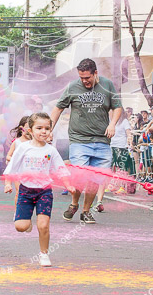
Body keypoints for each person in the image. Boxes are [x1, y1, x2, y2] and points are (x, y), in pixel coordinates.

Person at [49, 58, 122, 225]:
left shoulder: (107, 85)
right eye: (81, 78)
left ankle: (86, 211)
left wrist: (112, 124)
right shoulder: (72, 87)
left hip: (102, 141)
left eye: (87, 77)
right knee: (79, 177)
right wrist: (49, 129)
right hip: (79, 140)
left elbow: (117, 106)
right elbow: (58, 107)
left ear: (96, 73)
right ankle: (74, 204)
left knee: (95, 179)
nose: (84, 81)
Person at [4, 112, 66, 267]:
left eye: (47, 128)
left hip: (44, 191)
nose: (43, 131)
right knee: (21, 227)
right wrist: (8, 184)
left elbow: (61, 169)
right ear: (30, 130)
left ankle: (44, 254)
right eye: (39, 128)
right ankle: (27, 221)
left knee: (43, 225)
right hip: (25, 191)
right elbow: (12, 168)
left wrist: (69, 184)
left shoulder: (51, 151)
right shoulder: (23, 148)